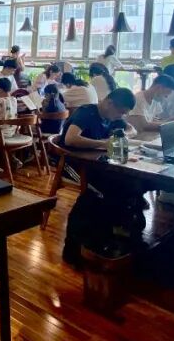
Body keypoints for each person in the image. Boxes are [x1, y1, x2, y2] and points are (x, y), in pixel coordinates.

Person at [58, 88, 141, 264]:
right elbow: (70, 139)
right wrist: (103, 144)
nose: (120, 116)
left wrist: (122, 135)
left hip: (96, 166)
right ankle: (77, 246)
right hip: (73, 165)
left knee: (130, 185)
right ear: (109, 103)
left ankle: (109, 235)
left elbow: (132, 129)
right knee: (99, 193)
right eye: (120, 112)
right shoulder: (87, 113)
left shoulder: (110, 116)